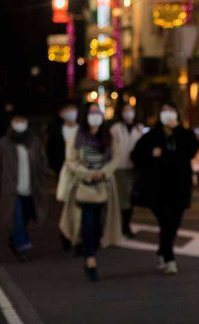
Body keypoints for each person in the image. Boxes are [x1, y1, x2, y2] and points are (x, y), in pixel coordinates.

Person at [131, 103, 199, 275]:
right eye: (164, 111)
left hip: (180, 187)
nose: (167, 114)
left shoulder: (184, 134)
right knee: (166, 221)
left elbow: (193, 147)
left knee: (174, 222)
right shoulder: (152, 136)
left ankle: (163, 251)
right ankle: (169, 258)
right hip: (158, 188)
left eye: (170, 110)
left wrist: (177, 130)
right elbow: (136, 155)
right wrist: (151, 155)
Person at [59, 103, 122, 281]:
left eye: (98, 112)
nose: (95, 116)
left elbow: (116, 157)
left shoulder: (107, 136)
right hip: (84, 186)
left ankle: (91, 249)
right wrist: (88, 174)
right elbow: (71, 161)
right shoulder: (77, 136)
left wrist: (103, 172)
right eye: (92, 112)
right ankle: (90, 259)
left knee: (99, 224)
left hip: (104, 186)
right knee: (87, 223)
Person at [0, 109, 50, 262]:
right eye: (16, 121)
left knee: (26, 216)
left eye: (22, 121)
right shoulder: (4, 143)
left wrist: (44, 180)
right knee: (17, 217)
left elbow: (42, 163)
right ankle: (23, 245)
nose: (20, 124)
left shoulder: (33, 141)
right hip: (11, 190)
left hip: (31, 188)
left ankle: (14, 239)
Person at [48, 102, 80, 251]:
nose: (71, 112)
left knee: (79, 206)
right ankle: (66, 235)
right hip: (64, 172)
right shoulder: (56, 130)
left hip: (81, 173)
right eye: (68, 110)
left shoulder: (82, 130)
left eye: (73, 109)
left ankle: (77, 237)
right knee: (67, 205)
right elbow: (51, 152)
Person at [110, 101, 144, 237]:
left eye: (131, 110)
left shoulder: (139, 128)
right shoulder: (115, 128)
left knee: (131, 197)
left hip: (134, 167)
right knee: (123, 198)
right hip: (120, 167)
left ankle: (126, 224)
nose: (129, 113)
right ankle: (123, 225)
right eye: (126, 110)